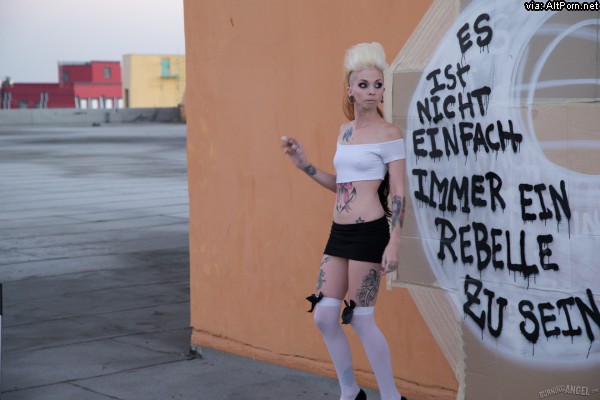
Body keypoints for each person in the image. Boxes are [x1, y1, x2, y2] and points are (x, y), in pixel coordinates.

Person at [281, 42, 407, 400]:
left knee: (362, 319)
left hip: (370, 233)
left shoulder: (390, 134)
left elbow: (398, 192)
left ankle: (391, 396)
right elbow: (342, 186)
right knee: (324, 315)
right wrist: (304, 165)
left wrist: (394, 242)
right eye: (363, 85)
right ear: (350, 89)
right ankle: (350, 391)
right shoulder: (345, 132)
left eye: (378, 85)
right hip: (339, 233)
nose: (371, 91)